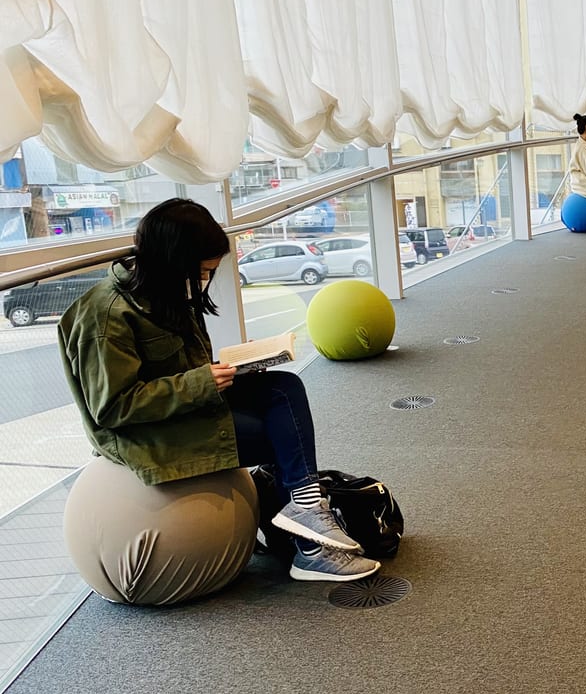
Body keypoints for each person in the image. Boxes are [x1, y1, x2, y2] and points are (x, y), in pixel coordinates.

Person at [56, 198, 380, 583]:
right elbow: (112, 409)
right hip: (142, 433)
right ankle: (307, 543)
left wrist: (242, 365)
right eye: (205, 271)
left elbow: (182, 369)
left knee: (283, 388)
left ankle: (303, 511)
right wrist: (200, 383)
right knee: (277, 435)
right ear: (175, 261)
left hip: (182, 406)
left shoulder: (162, 291)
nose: (206, 281)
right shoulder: (108, 318)